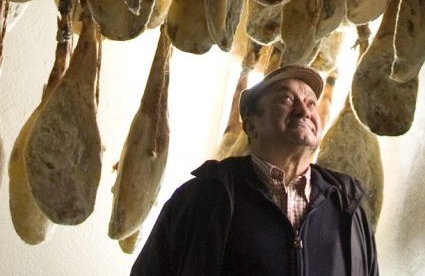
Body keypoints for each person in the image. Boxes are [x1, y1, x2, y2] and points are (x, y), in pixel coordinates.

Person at [130, 64, 379, 276]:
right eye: (287, 99)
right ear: (251, 126)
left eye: (311, 102)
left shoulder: (349, 208)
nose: (304, 110)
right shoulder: (204, 198)